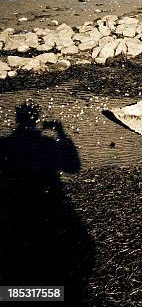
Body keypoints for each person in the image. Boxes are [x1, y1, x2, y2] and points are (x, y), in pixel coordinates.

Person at [0, 102, 92, 305]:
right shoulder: (47, 145)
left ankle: (14, 295)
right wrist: (61, 134)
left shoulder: (4, 145)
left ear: (17, 120)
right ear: (36, 120)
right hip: (46, 203)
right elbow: (72, 166)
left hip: (14, 205)